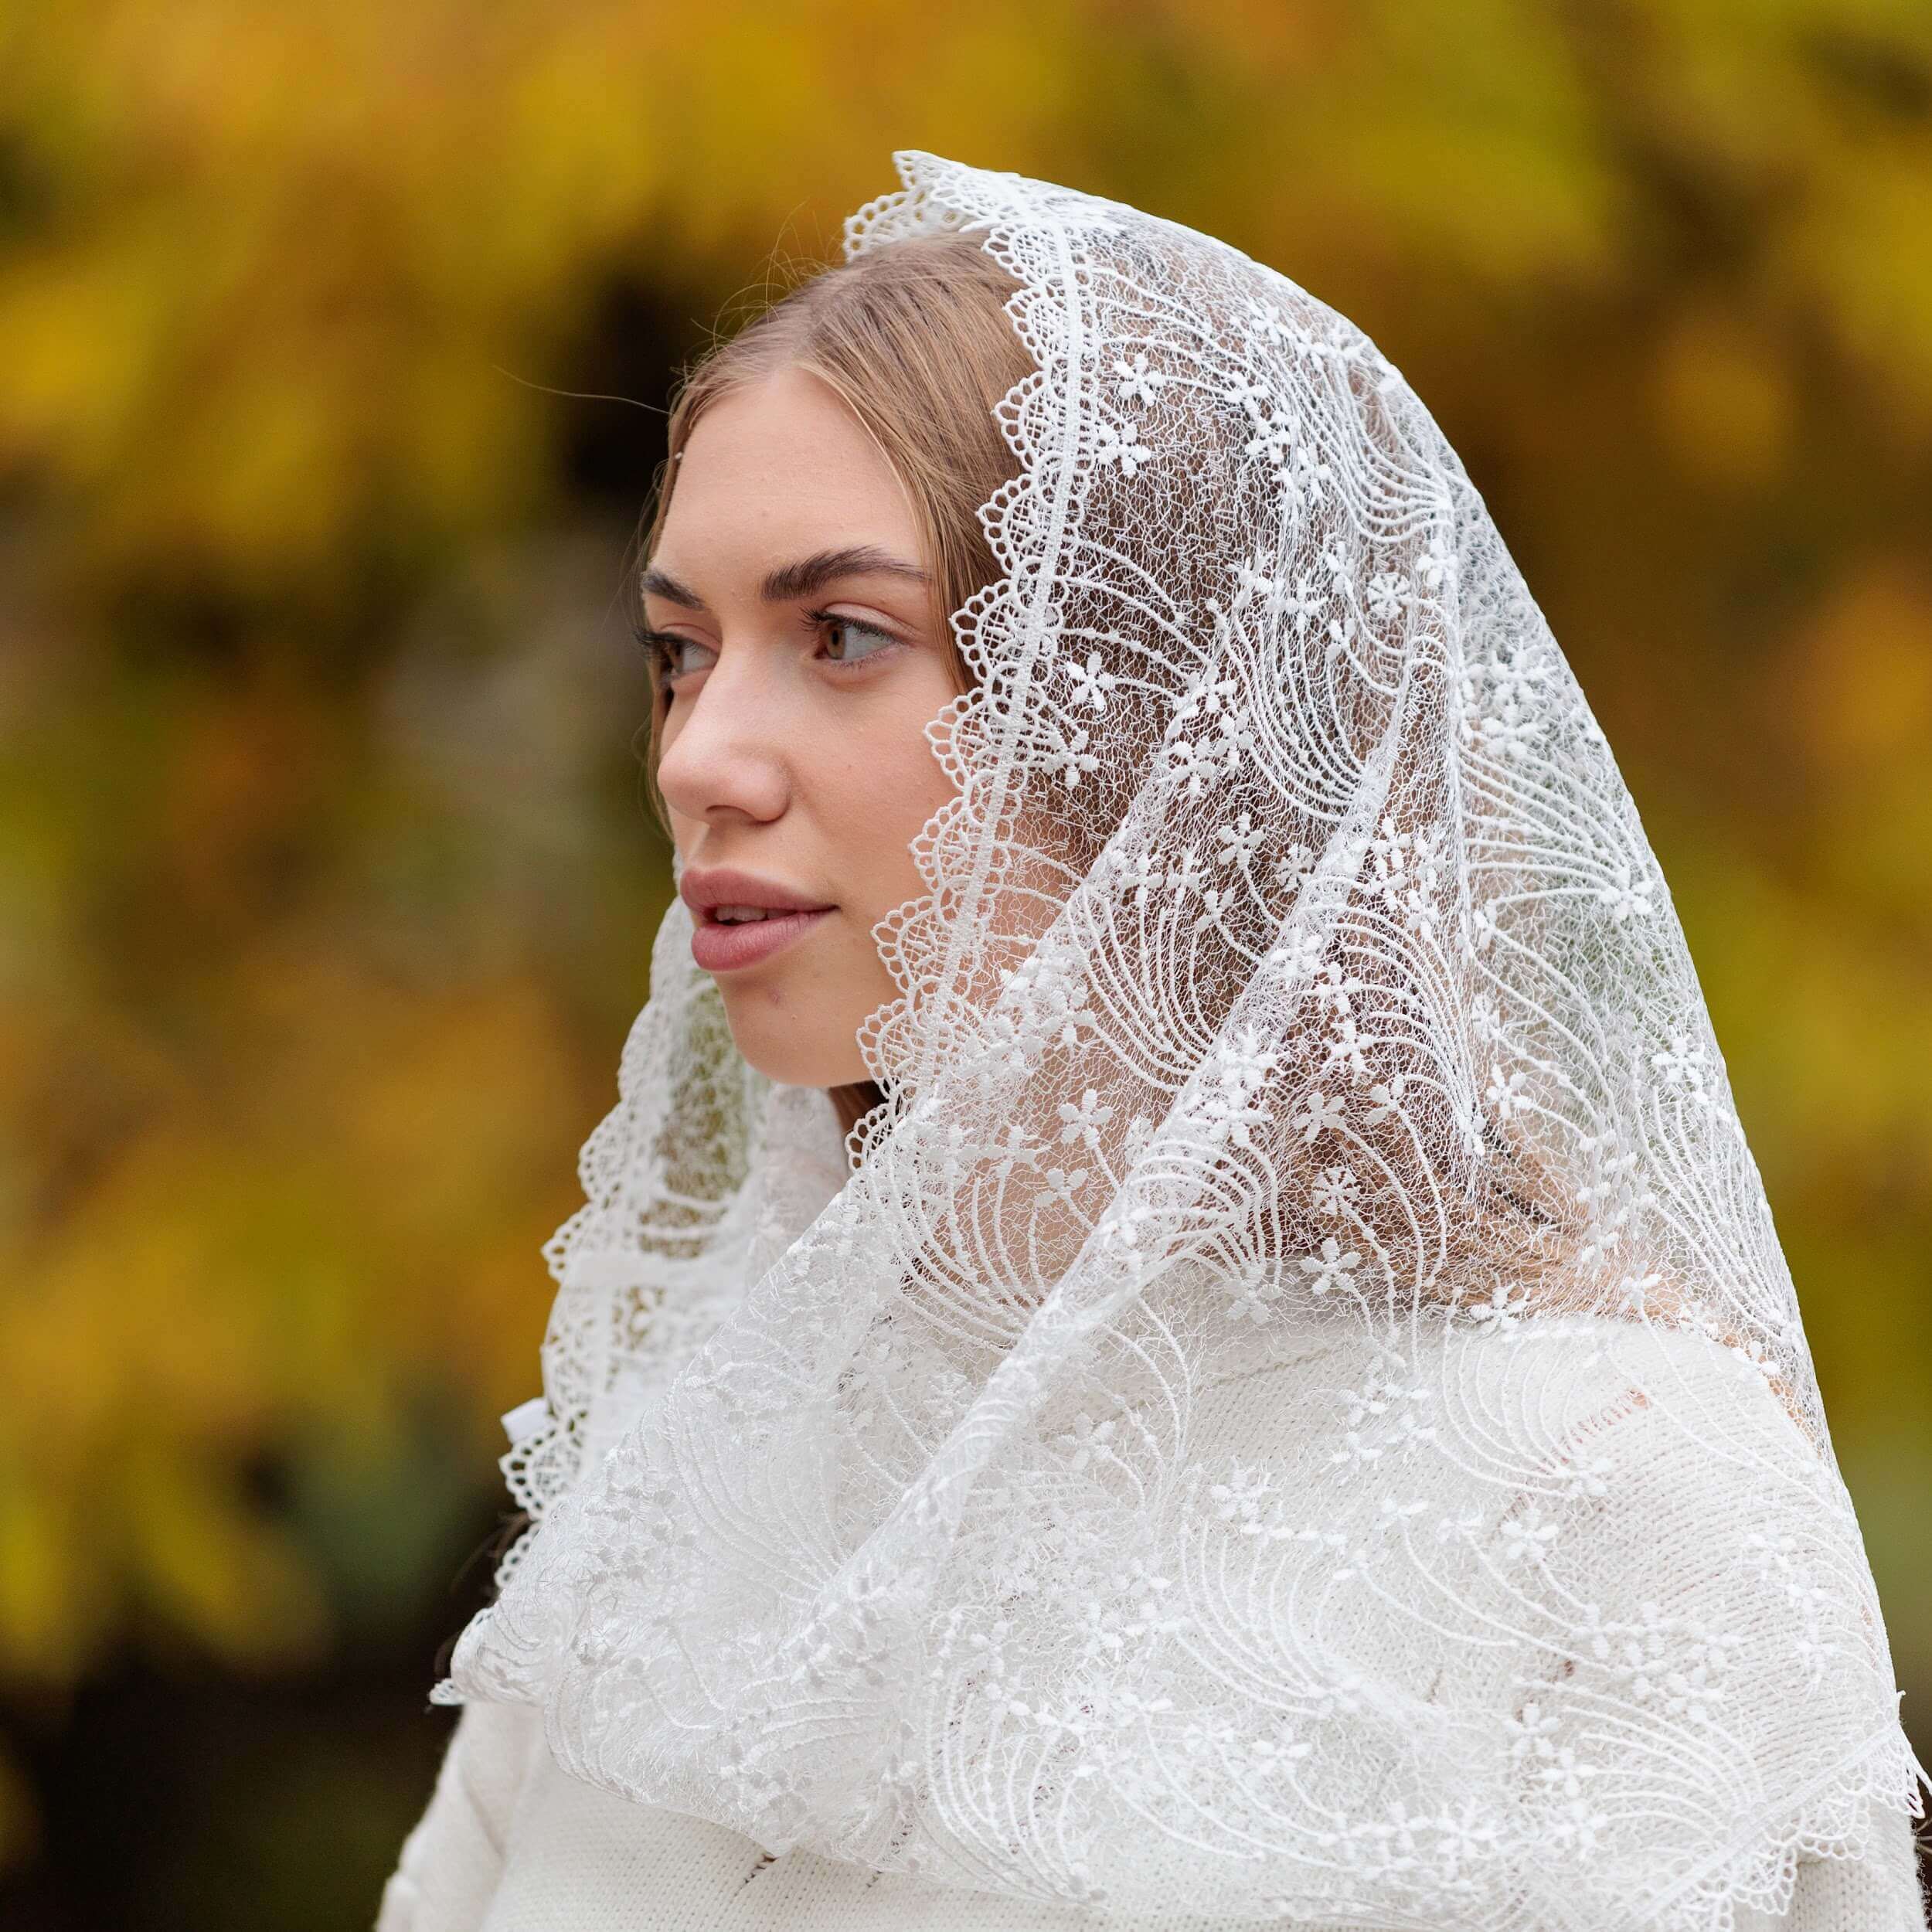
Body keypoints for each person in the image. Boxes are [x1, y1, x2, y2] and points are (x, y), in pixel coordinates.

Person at [376, 151, 1929, 1930]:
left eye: (842, 635)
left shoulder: (1604, 1500)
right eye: (678, 652)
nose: (695, 754)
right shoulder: (696, 1469)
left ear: (1162, 718)